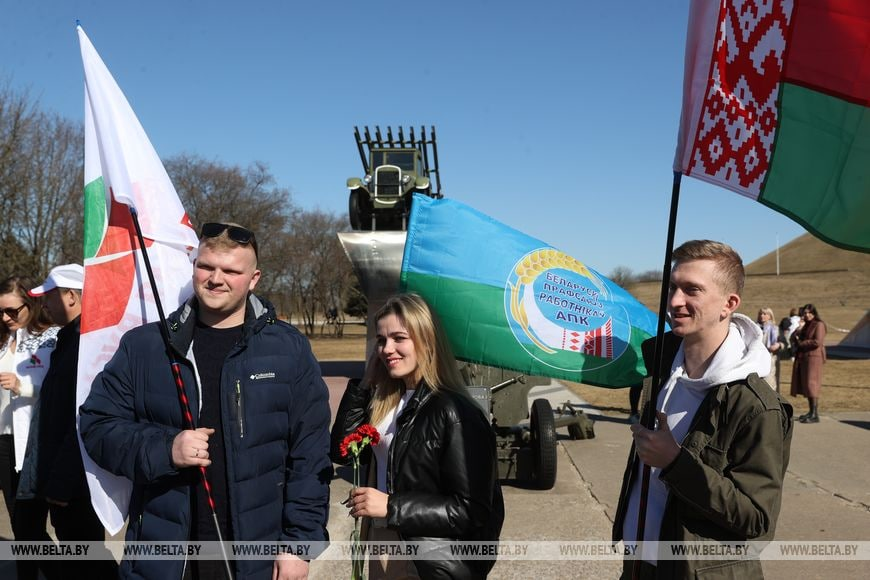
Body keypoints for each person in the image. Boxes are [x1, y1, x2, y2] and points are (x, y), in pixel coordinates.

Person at [80, 222, 333, 580]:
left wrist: (299, 546)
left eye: (231, 270)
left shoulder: (288, 348)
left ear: (254, 278)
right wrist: (167, 449)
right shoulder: (146, 346)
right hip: (163, 557)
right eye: (206, 266)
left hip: (256, 557)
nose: (216, 279)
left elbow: (310, 455)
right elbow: (97, 426)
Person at [612, 240, 793, 579]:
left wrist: (676, 464)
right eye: (673, 288)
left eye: (692, 290)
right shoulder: (662, 368)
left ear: (729, 304)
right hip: (638, 564)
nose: (675, 301)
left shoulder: (756, 405)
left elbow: (756, 518)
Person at [330, 293, 504, 579]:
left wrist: (390, 505)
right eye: (382, 340)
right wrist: (364, 385)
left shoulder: (455, 411)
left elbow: (472, 510)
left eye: (399, 338)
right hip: (384, 539)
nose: (387, 349)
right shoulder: (387, 400)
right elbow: (342, 452)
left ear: (427, 340)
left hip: (429, 557)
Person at [21, 264, 117, 579]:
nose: (43, 305)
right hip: (65, 478)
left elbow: (82, 419)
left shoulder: (86, 347)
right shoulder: (69, 340)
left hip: (76, 483)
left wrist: (63, 481)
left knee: (86, 557)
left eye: (49, 297)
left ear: (72, 297)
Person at [0, 276, 59, 580]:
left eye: (12, 311)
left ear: (31, 303)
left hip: (32, 444)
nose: (6, 318)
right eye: (1, 312)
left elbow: (59, 390)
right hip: (4, 443)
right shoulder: (3, 339)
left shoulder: (52, 338)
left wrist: (22, 386)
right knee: (20, 524)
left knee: (28, 526)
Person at [790, 303, 827, 424]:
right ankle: (811, 411)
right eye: (805, 313)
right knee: (807, 384)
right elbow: (792, 337)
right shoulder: (805, 325)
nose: (807, 315)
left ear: (814, 313)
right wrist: (799, 329)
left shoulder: (819, 324)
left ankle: (815, 413)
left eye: (809, 312)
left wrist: (802, 344)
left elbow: (817, 342)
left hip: (814, 357)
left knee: (812, 384)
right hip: (804, 358)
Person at [757, 307, 781, 391]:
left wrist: (778, 345)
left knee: (770, 383)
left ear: (770, 316)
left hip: (771, 359)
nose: (761, 316)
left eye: (764, 314)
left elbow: (784, 342)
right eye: (760, 314)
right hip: (757, 359)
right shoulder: (755, 328)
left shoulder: (775, 329)